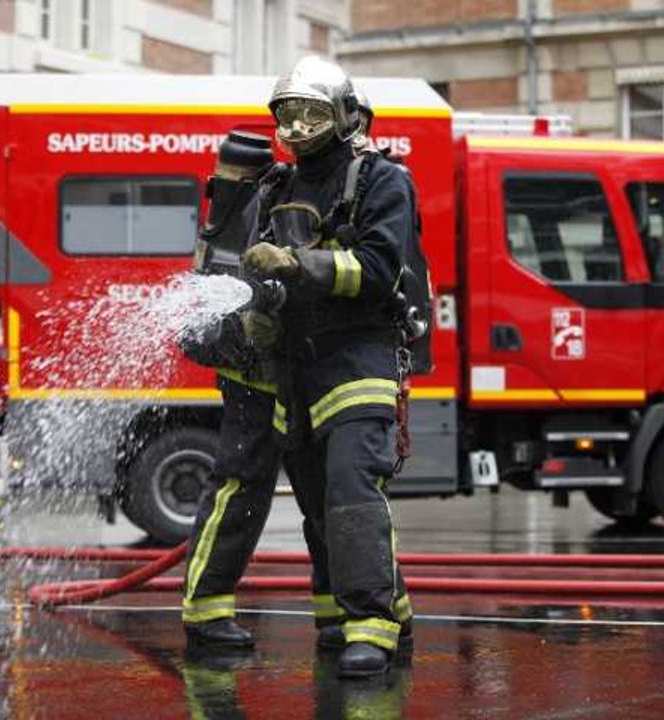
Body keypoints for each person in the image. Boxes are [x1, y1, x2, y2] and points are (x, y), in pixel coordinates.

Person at [242, 55, 418, 677]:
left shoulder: (381, 181)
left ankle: (372, 627)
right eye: (286, 114)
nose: (295, 126)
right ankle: (347, 613)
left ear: (343, 116)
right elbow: (255, 267)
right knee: (317, 502)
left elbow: (376, 271)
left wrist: (297, 267)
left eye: (310, 113)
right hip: (296, 363)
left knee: (350, 486)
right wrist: (256, 307)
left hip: (360, 354)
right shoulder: (275, 188)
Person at [177, 131, 336, 649]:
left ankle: (336, 612)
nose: (233, 188)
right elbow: (195, 332)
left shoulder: (276, 203)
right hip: (254, 387)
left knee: (324, 498)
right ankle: (205, 611)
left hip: (301, 378)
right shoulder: (225, 232)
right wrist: (247, 327)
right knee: (241, 491)